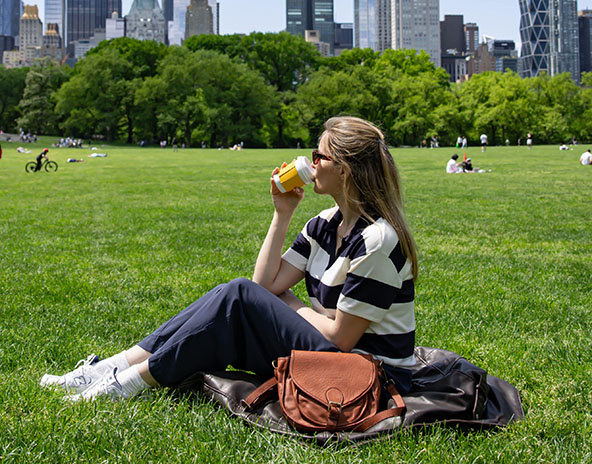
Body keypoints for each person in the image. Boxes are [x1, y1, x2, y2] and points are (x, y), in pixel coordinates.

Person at [40, 116, 417, 401]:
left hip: (368, 378)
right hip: (332, 357)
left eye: (320, 156)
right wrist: (282, 213)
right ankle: (112, 370)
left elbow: (341, 338)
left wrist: (290, 304)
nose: (311, 162)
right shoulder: (324, 224)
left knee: (237, 294)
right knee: (231, 294)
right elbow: (265, 286)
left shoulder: (377, 241)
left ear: (345, 170)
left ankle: (126, 383)